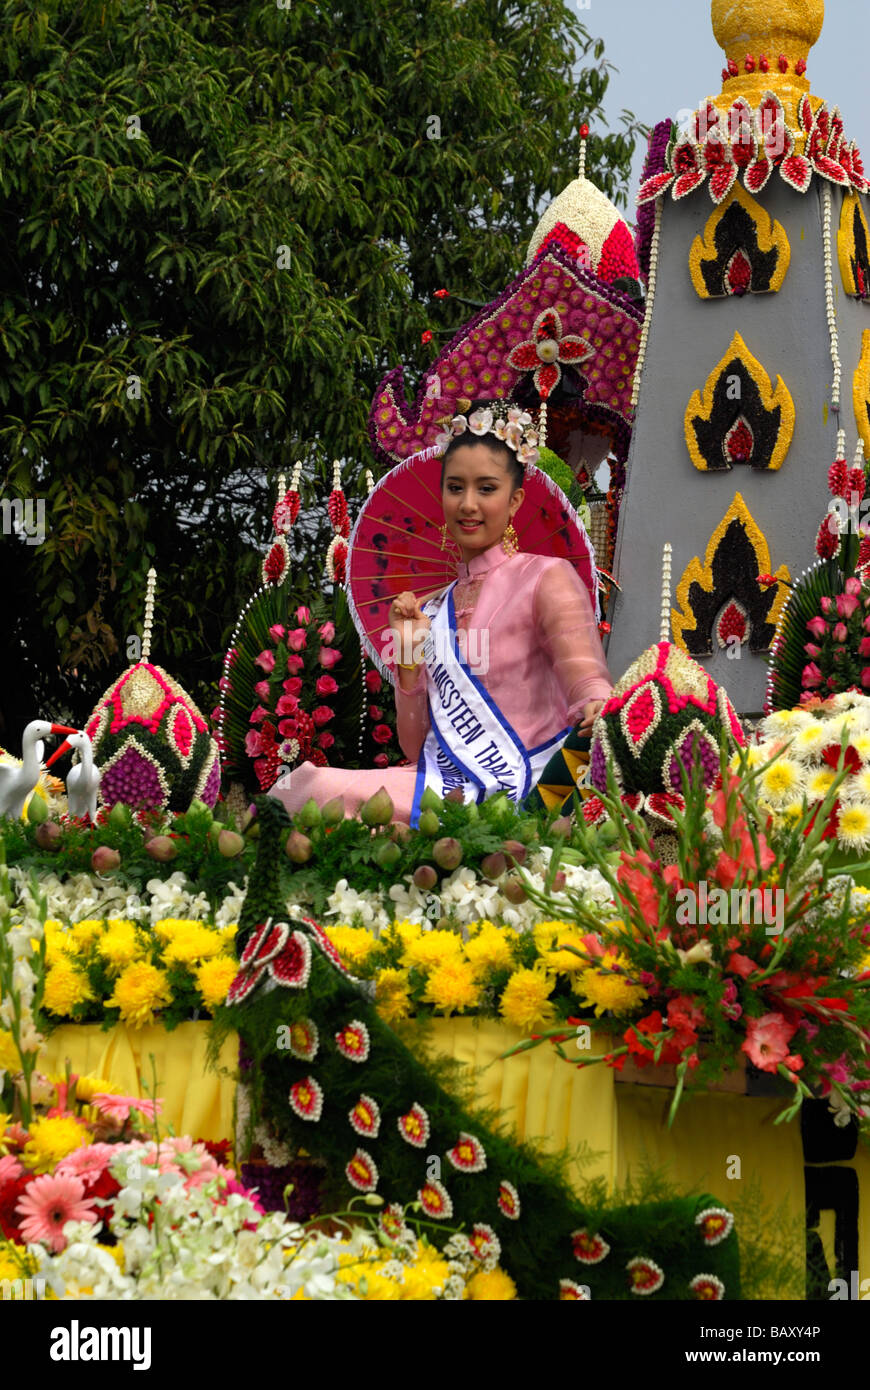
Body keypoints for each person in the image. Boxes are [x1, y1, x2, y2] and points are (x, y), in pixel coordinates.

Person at [270, 402, 613, 826]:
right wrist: (409, 657)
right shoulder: (431, 608)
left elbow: (585, 675)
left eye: (486, 488)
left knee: (314, 794)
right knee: (301, 790)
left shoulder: (546, 577)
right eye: (455, 488)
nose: (468, 504)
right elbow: (416, 750)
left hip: (536, 783)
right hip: (448, 787)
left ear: (515, 500)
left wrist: (596, 703)